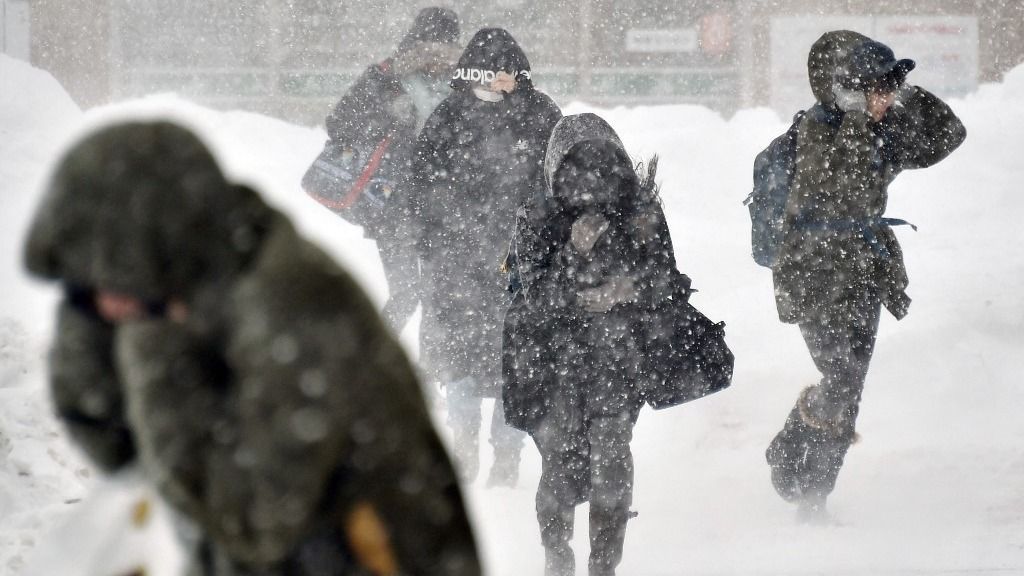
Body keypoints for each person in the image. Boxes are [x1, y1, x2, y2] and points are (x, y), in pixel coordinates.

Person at [24, 121, 482, 576]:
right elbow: (115, 438)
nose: (107, 305)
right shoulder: (204, 289)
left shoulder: (293, 306)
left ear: (155, 247)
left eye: (111, 281)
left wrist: (150, 339)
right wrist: (93, 319)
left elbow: (254, 517)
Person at [765, 31, 967, 521]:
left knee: (849, 386)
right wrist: (860, 115)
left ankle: (814, 497)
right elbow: (846, 187)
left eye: (888, 89)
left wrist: (903, 89)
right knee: (839, 377)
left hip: (862, 273)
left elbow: (949, 134)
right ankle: (790, 455)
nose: (886, 99)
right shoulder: (815, 131)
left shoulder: (879, 130)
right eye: (877, 88)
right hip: (813, 274)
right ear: (850, 90)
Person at [505, 113, 679, 576]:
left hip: (617, 358)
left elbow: (667, 282)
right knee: (560, 460)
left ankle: (604, 566)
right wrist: (572, 264)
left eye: (601, 171)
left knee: (610, 455)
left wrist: (625, 290)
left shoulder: (640, 211)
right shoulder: (538, 215)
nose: (590, 187)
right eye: (577, 173)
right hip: (553, 361)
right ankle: (557, 560)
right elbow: (532, 297)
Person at [404, 27, 562, 486]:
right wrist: (442, 240)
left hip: (516, 264)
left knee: (516, 364)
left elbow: (558, 181)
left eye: (505, 77)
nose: (496, 87)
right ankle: (465, 449)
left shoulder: (535, 114)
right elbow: (422, 187)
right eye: (489, 78)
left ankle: (505, 459)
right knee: (466, 362)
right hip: (463, 265)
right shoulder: (453, 115)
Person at [320, 6, 462, 333]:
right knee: (407, 294)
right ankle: (373, 359)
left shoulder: (462, 86)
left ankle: (433, 372)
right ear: (415, 42)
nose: (436, 58)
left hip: (445, 208)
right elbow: (339, 123)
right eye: (429, 48)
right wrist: (388, 113)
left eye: (446, 50)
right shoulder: (386, 76)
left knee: (440, 298)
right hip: (393, 205)